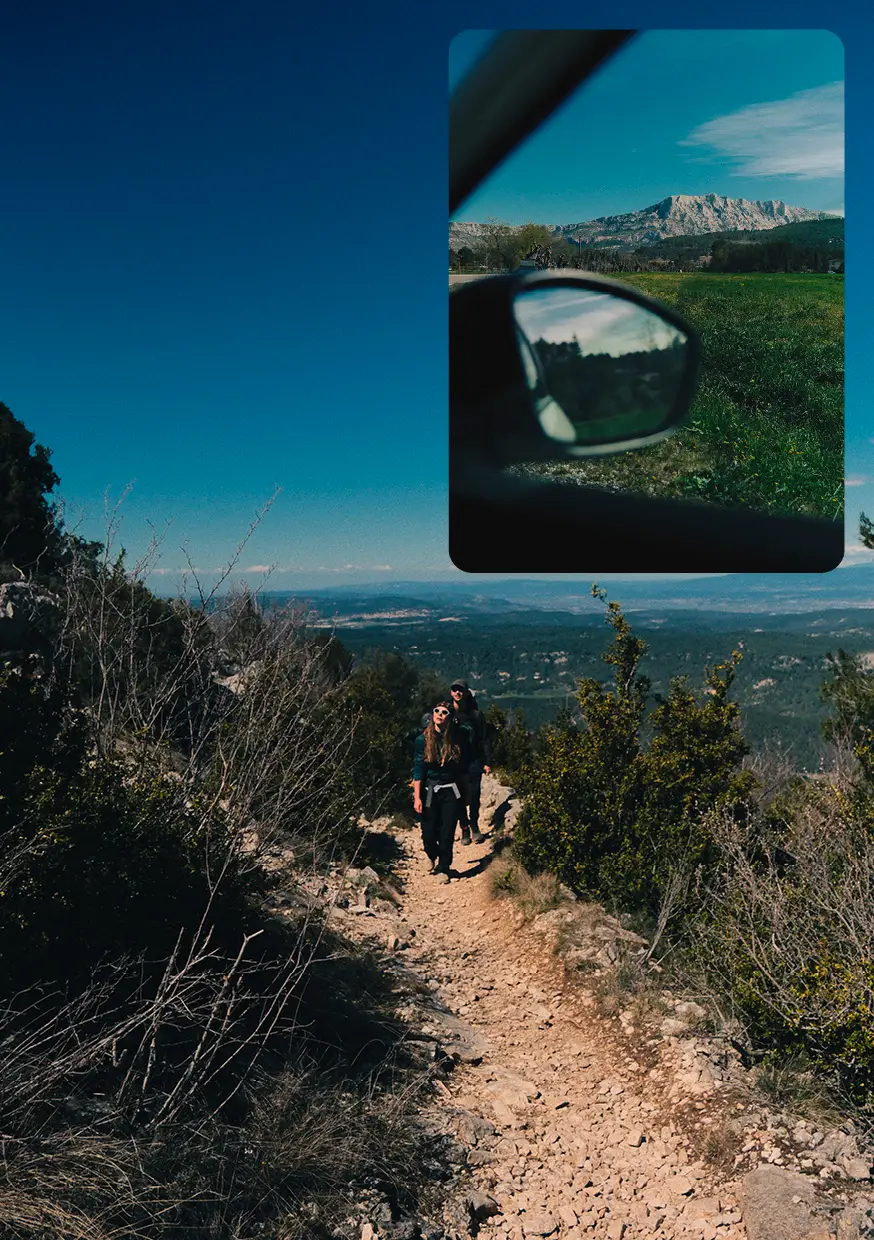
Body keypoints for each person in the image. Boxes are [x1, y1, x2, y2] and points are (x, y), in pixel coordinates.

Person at [412, 700, 471, 883]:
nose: (439, 714)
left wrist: (466, 794)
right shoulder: (422, 740)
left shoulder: (456, 740)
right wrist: (417, 797)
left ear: (450, 718)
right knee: (428, 832)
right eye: (437, 711)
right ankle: (431, 854)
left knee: (447, 831)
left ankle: (443, 867)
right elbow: (418, 770)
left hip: (450, 790)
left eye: (444, 712)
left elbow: (463, 768)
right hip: (429, 789)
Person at [449, 679, 493, 844]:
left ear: (466, 693)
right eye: (455, 690)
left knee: (474, 794)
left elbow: (485, 738)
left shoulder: (476, 715)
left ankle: (474, 824)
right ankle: (464, 827)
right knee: (458, 795)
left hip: (474, 760)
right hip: (455, 762)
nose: (457, 693)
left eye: (460, 690)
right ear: (451, 692)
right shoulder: (447, 713)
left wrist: (488, 761)